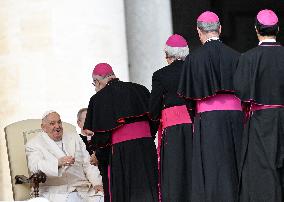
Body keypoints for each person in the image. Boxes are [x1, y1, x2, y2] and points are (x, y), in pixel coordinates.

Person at [178, 11, 244, 202]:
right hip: (235, 120)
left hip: (208, 122)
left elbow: (188, 99)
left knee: (212, 169)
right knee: (236, 165)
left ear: (199, 31)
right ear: (220, 29)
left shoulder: (193, 59)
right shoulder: (236, 56)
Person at [84, 63, 158, 202]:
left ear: (98, 82)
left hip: (121, 153)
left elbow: (102, 138)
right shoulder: (139, 89)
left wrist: (98, 155)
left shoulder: (98, 99)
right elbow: (154, 119)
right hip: (146, 148)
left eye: (94, 85)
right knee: (149, 188)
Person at [234, 9, 284, 202]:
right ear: (277, 29)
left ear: (256, 29)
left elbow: (241, 92)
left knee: (264, 170)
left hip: (261, 122)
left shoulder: (248, 58)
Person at [149, 34, 193, 202]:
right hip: (194, 125)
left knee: (173, 171)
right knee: (193, 167)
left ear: (168, 55)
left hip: (172, 128)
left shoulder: (160, 75)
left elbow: (153, 108)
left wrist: (153, 120)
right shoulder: (194, 69)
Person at [25, 111, 104, 202]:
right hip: (57, 191)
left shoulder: (74, 137)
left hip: (83, 188)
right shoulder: (34, 144)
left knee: (105, 198)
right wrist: (58, 163)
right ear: (43, 127)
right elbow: (35, 166)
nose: (57, 126)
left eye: (59, 122)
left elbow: (88, 164)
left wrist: (97, 183)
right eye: (52, 123)